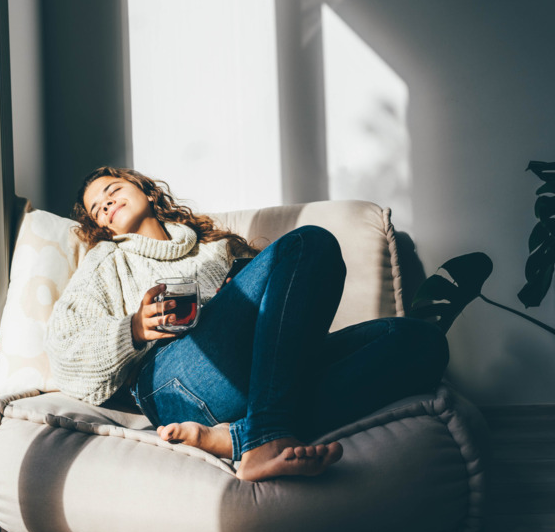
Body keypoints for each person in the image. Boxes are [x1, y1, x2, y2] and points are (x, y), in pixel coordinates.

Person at [47, 166, 449, 482]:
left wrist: (236, 296)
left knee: (420, 341)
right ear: (104, 228)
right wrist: (133, 329)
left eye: (112, 190)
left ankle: (239, 437)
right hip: (171, 383)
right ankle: (268, 435)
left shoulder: (218, 250)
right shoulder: (107, 261)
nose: (106, 204)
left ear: (145, 190)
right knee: (310, 241)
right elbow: (64, 352)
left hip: (261, 372)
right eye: (98, 209)